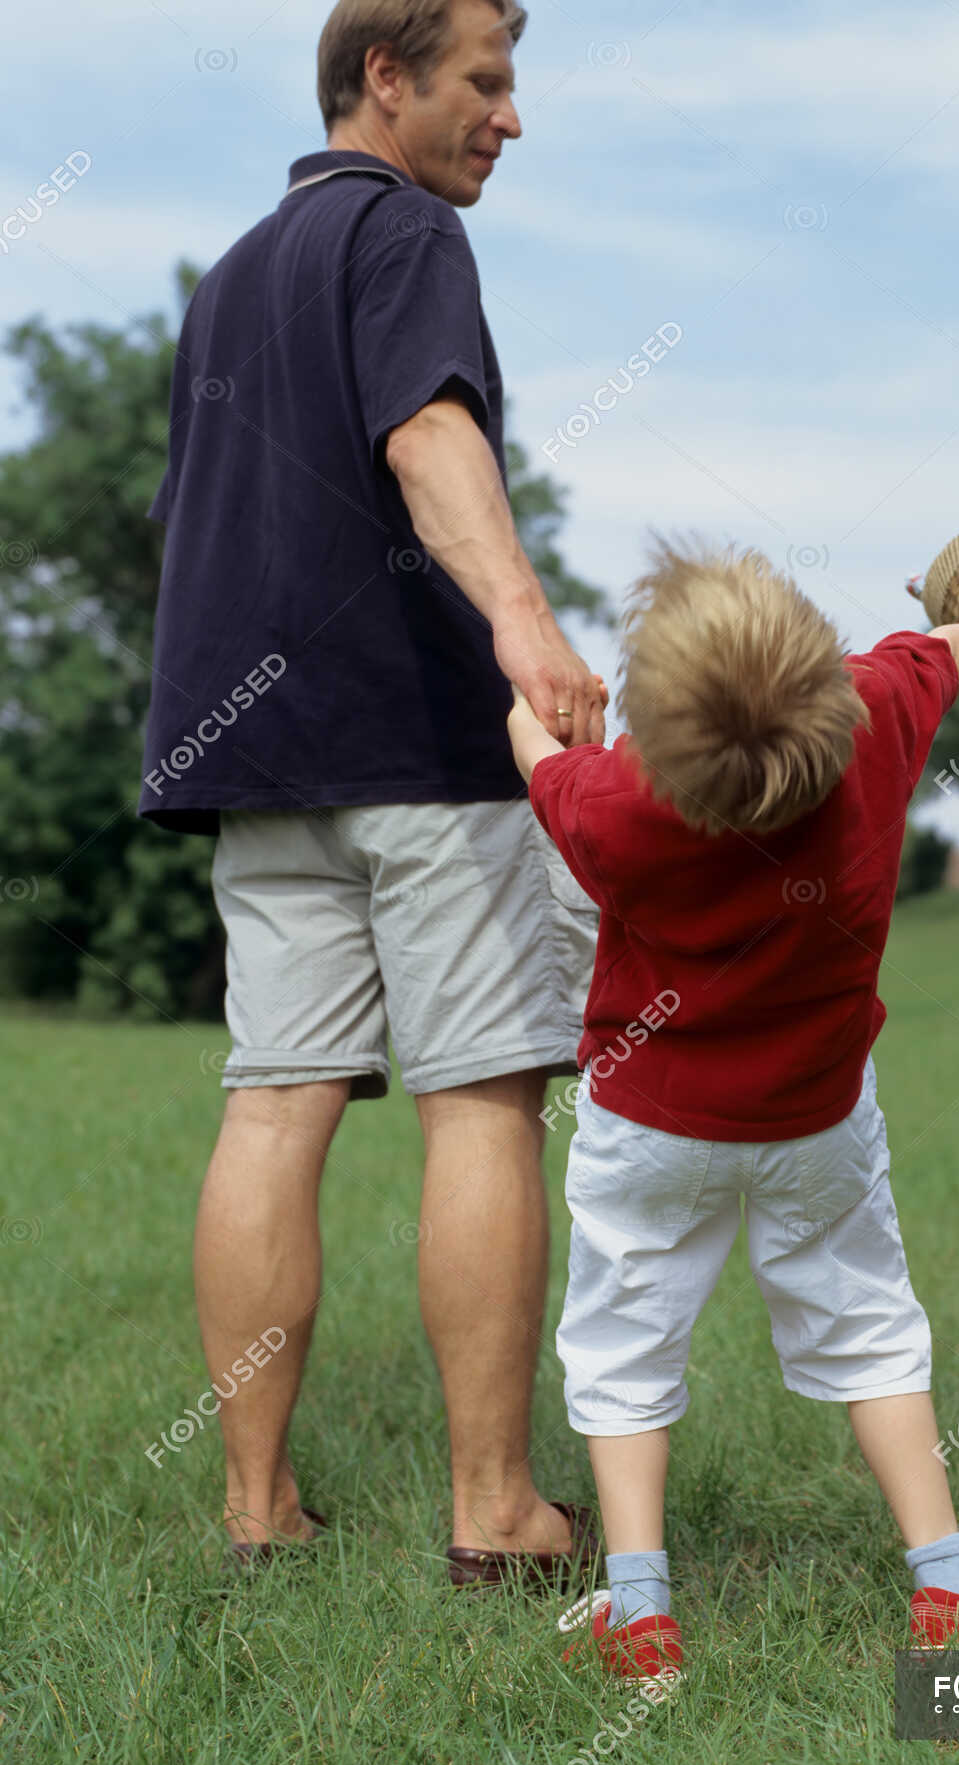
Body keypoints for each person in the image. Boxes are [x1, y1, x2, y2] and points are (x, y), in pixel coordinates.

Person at [140, 0, 607, 1582]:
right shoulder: (401, 233)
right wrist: (525, 620)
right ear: (385, 80)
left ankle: (257, 1510)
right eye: (487, 82)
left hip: (258, 763)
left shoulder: (230, 279)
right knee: (482, 1099)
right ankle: (495, 1515)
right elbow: (424, 432)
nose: (511, 118)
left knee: (274, 1110)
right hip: (415, 747)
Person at [509, 539, 959, 1684]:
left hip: (647, 1125)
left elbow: (540, 759)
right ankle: (947, 1588)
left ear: (660, 732)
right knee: (867, 1322)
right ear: (817, 669)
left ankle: (640, 1613)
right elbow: (949, 649)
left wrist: (533, 702)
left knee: (622, 1342)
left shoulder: (615, 802)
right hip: (816, 1118)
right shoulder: (869, 718)